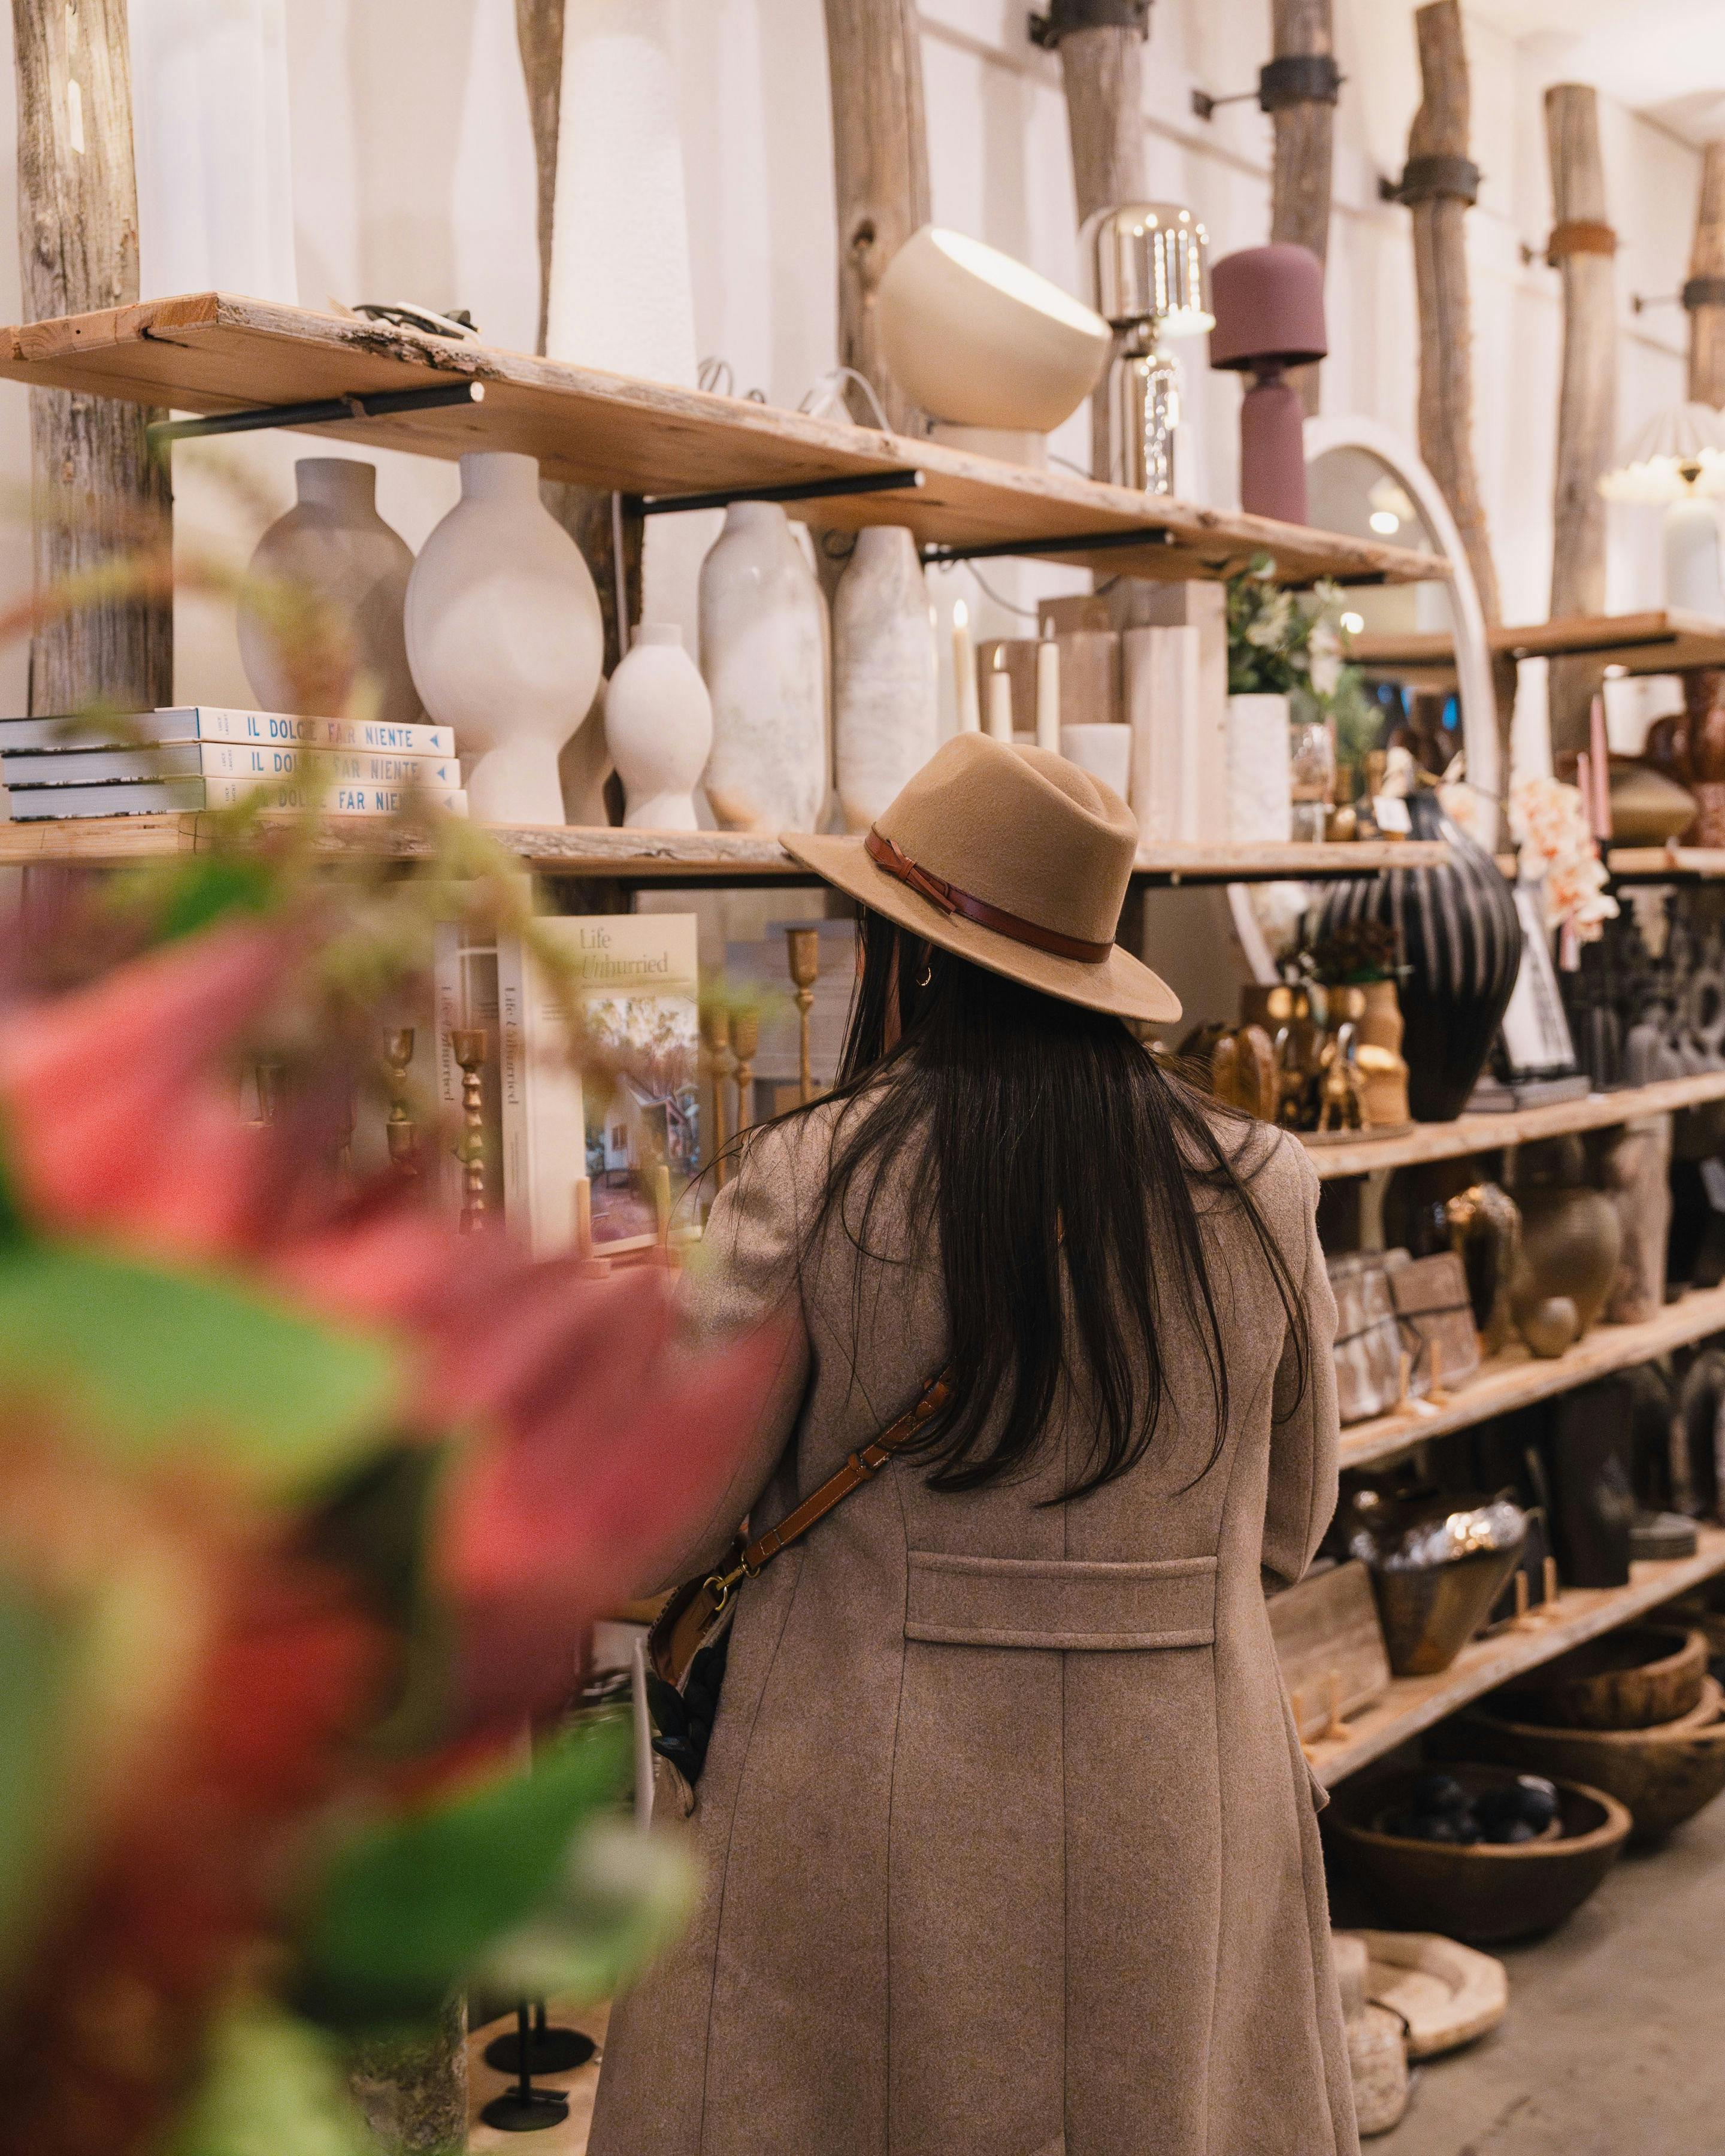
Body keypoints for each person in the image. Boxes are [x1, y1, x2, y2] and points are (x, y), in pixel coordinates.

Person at [588, 732, 1354, 2156]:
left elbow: (662, 1526)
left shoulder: (811, 1178)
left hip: (858, 1805)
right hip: (1182, 1805)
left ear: (911, 955)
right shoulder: (1265, 1186)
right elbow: (1294, 1526)